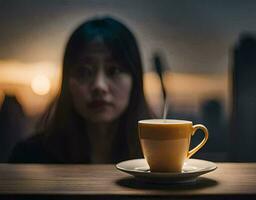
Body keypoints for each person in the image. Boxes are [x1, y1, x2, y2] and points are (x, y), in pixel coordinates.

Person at [9, 16, 153, 164]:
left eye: (114, 71)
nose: (99, 86)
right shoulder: (29, 157)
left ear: (135, 81)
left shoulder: (158, 157)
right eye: (84, 71)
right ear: (67, 83)